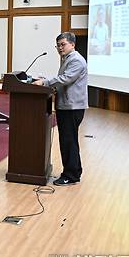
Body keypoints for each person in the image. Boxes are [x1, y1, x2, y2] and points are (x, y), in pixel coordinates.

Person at [33, 32, 88, 186]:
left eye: (63, 44)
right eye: (57, 45)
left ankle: (71, 175)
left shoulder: (76, 60)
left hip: (72, 107)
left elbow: (65, 79)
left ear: (72, 44)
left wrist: (45, 82)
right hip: (67, 106)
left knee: (69, 141)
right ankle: (73, 172)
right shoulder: (67, 59)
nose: (59, 48)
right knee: (68, 141)